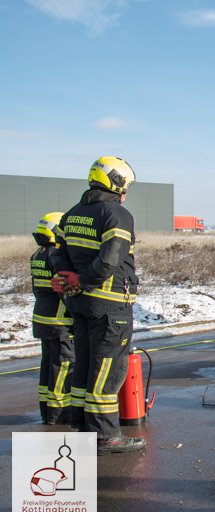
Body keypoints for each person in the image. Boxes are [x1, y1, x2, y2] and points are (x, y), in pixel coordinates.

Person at [50, 157, 145, 456]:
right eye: (126, 186)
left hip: (79, 304)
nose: (126, 193)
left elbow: (57, 254)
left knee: (86, 366)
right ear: (117, 183)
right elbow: (109, 259)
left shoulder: (71, 215)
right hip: (110, 306)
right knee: (109, 369)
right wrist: (83, 280)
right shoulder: (116, 213)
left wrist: (71, 280)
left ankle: (80, 426)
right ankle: (105, 435)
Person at [30, 212, 74, 425]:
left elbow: (36, 289)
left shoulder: (38, 254)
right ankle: (59, 412)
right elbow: (63, 290)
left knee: (48, 365)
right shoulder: (55, 255)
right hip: (59, 322)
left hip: (41, 317)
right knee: (63, 365)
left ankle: (46, 410)